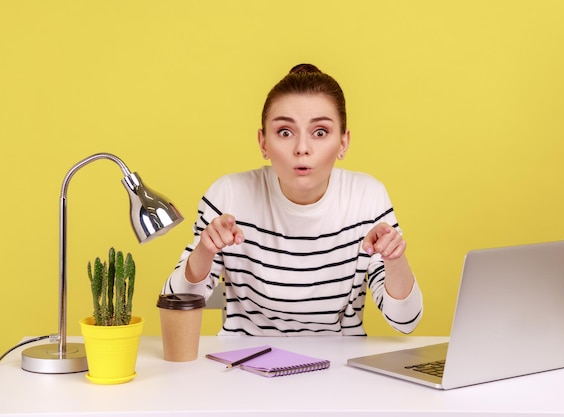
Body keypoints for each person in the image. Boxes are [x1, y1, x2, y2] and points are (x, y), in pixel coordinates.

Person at [163, 63, 423, 336]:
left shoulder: (368, 197)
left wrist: (394, 258)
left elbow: (405, 321)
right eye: (285, 132)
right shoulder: (228, 194)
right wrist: (205, 250)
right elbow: (176, 304)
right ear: (263, 143)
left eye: (320, 132)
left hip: (339, 371)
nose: (301, 149)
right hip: (243, 366)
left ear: (343, 142)